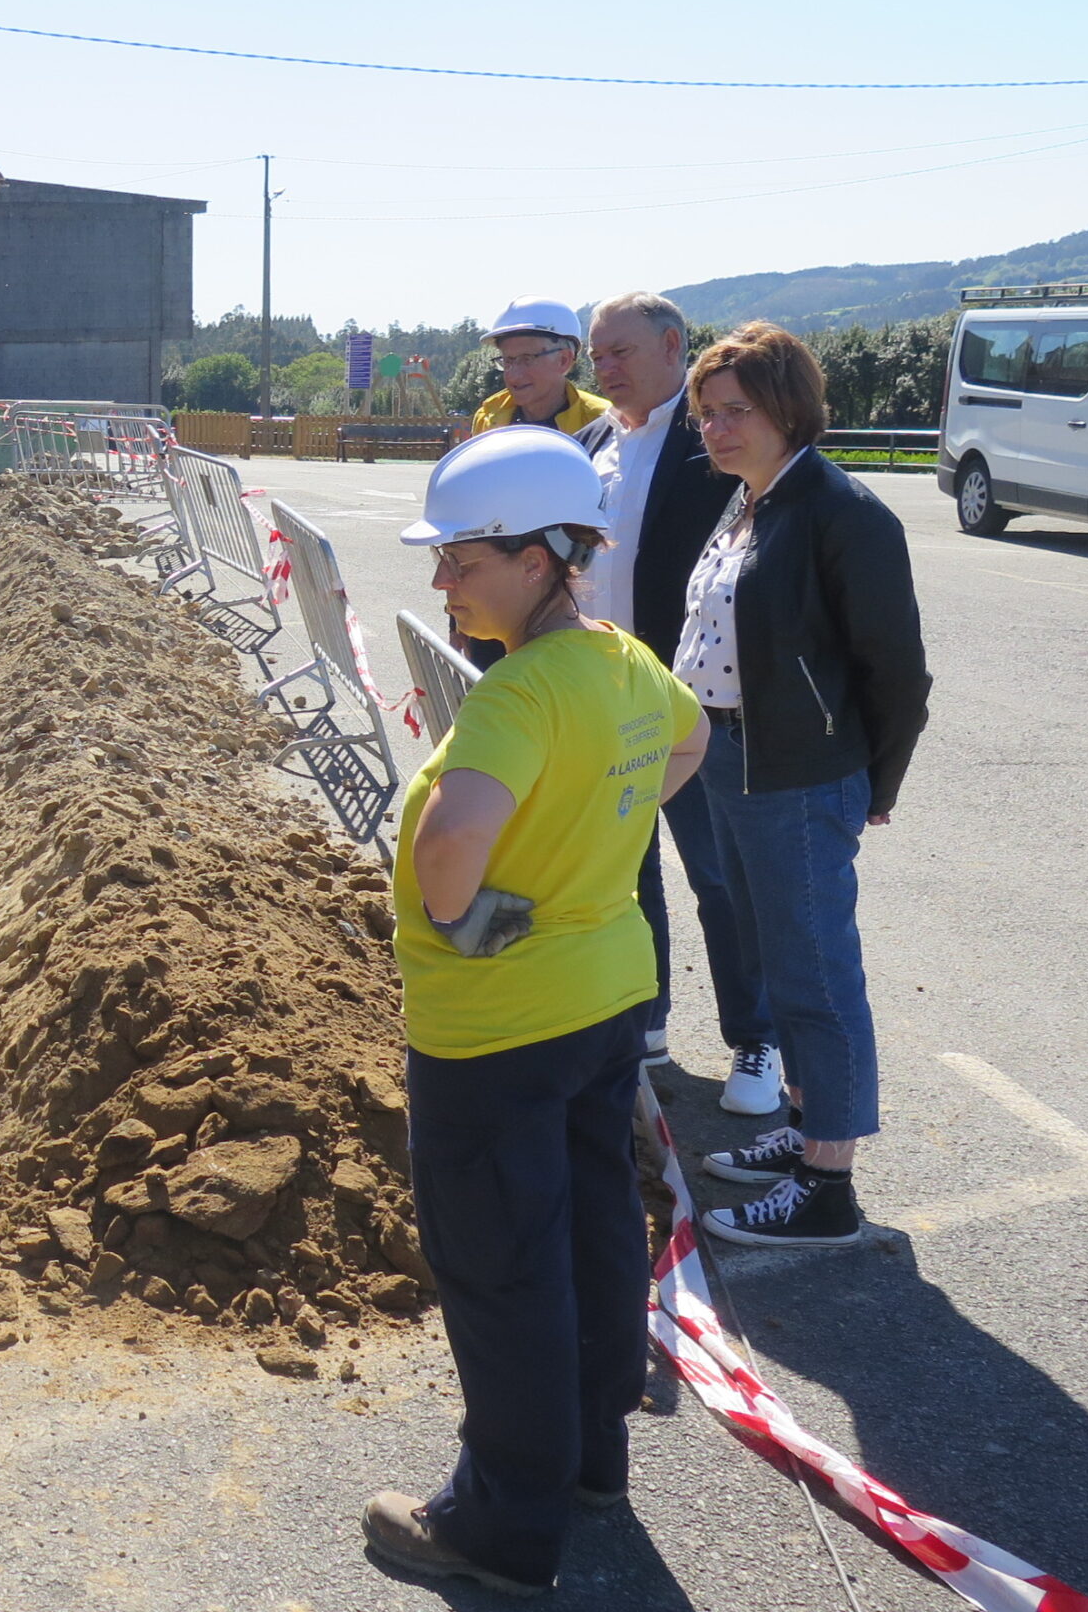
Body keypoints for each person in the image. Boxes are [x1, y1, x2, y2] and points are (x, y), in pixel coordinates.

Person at [363, 428, 709, 1596]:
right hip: (601, 997)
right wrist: (586, 849)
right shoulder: (616, 659)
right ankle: (588, 1459)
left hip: (493, 1029)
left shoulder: (518, 691)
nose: (441, 580)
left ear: (544, 555)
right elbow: (690, 740)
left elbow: (452, 845)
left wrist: (466, 912)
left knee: (501, 1262)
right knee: (593, 1226)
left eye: (462, 558)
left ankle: (501, 1523)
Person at [678, 326, 931, 1248]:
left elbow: (898, 674)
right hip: (730, 765)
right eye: (707, 413)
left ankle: (827, 1187)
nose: (715, 428)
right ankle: (801, 1132)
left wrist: (875, 780)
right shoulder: (751, 502)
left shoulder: (841, 512)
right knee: (779, 969)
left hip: (797, 776)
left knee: (818, 979)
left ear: (790, 407)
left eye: (735, 410)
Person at [578, 291, 775, 1107]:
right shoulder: (593, 441)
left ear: (671, 347)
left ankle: (757, 1042)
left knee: (721, 878)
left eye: (618, 353)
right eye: (596, 356)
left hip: (689, 705)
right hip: (601, 698)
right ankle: (645, 1018)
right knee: (628, 871)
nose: (603, 370)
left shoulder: (713, 444)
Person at [468, 298, 612, 436]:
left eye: (527, 359)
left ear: (563, 360)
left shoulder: (607, 423)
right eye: (508, 361)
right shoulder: (487, 419)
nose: (514, 375)